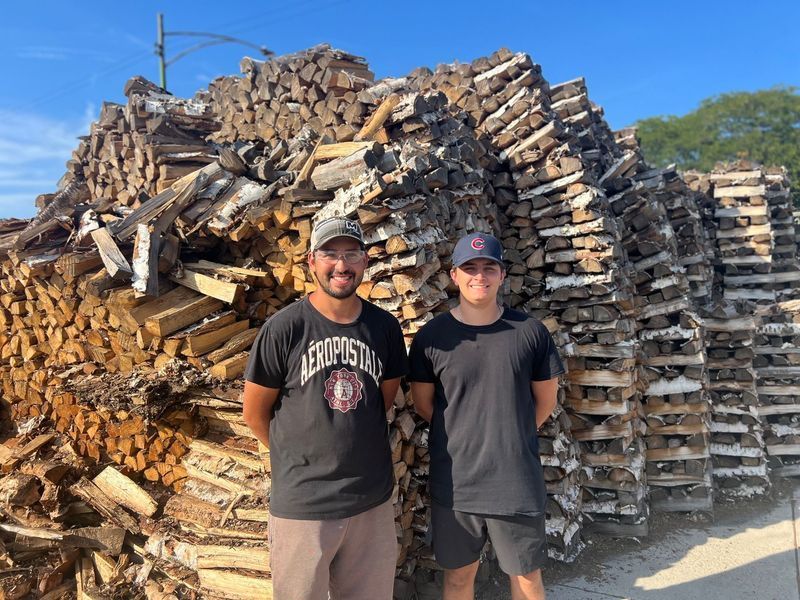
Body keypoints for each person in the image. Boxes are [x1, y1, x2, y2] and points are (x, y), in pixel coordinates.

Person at [242, 217, 408, 600]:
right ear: (311, 262)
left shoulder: (384, 328)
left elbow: (382, 398)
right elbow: (254, 412)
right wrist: (298, 458)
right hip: (304, 503)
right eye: (330, 253)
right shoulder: (284, 329)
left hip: (371, 498)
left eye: (351, 253)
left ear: (365, 261)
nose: (341, 264)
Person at [408, 232, 564, 600]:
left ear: (501, 275)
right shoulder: (433, 338)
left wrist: (509, 437)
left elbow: (545, 402)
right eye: (470, 268)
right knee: (459, 580)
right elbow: (424, 405)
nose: (480, 275)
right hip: (457, 485)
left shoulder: (529, 332)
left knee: (527, 580)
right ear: (454, 276)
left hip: (515, 483)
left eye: (488, 267)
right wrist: (466, 434)